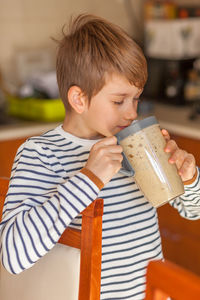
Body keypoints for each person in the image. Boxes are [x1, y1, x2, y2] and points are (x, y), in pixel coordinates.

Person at [0, 14, 199, 300]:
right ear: (79, 99)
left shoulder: (135, 145)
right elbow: (13, 255)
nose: (132, 113)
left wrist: (188, 177)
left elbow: (194, 210)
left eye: (136, 99)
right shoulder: (41, 155)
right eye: (119, 101)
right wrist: (89, 179)